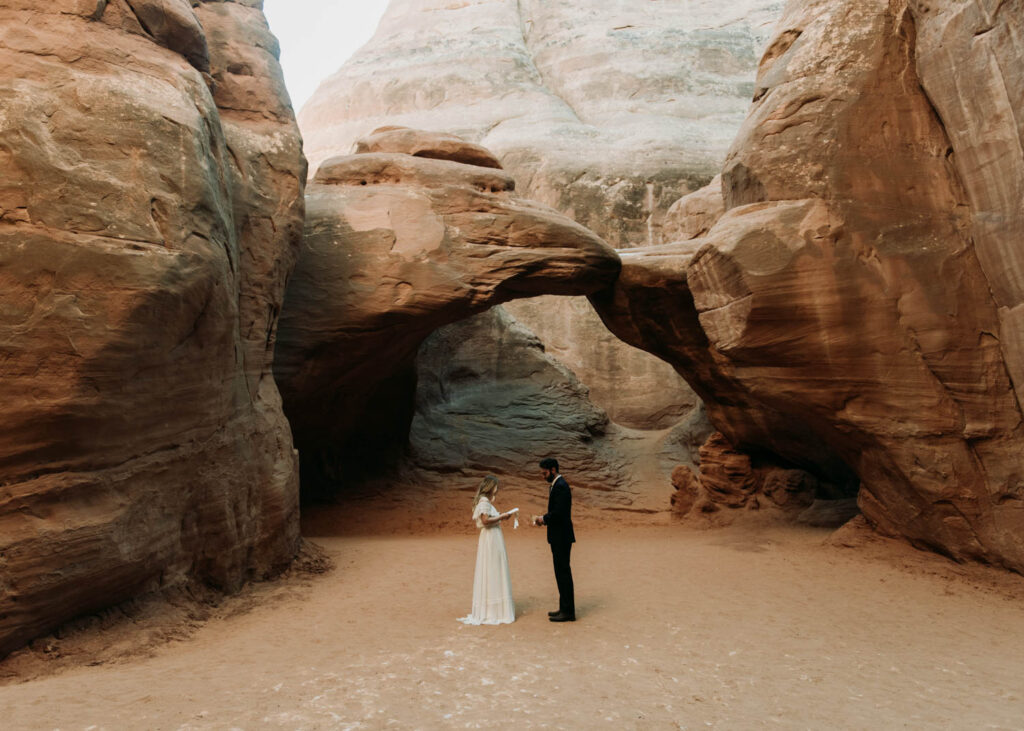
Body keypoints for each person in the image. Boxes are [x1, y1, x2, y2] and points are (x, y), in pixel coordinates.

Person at [458, 475, 516, 625]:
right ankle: (494, 611)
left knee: (493, 569)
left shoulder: (485, 502)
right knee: (493, 568)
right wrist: (502, 517)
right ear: (491, 487)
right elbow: (485, 521)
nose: (497, 489)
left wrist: (501, 517)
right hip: (491, 538)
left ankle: (492, 608)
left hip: (491, 537)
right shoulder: (484, 502)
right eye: (496, 486)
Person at [532, 458, 575, 622]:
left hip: (562, 537)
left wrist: (543, 519)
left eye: (545, 473)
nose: (543, 476)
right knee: (561, 572)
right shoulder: (558, 485)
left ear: (553, 470)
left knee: (563, 573)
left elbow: (559, 513)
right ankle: (564, 608)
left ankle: (568, 612)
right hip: (559, 536)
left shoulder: (561, 486)